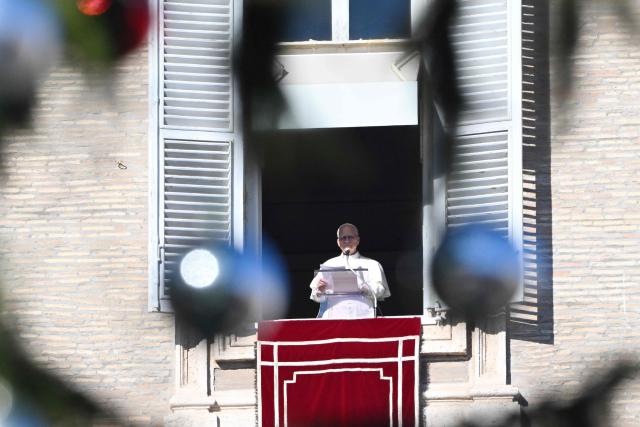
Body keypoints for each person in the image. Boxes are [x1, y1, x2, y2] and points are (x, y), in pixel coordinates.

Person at [309, 223, 390, 319]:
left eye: (350, 237)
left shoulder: (372, 264)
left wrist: (366, 287)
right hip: (334, 318)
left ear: (358, 240)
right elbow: (316, 296)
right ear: (338, 242)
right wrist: (320, 290)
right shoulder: (328, 265)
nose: (347, 240)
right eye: (343, 238)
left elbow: (381, 290)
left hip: (363, 317)